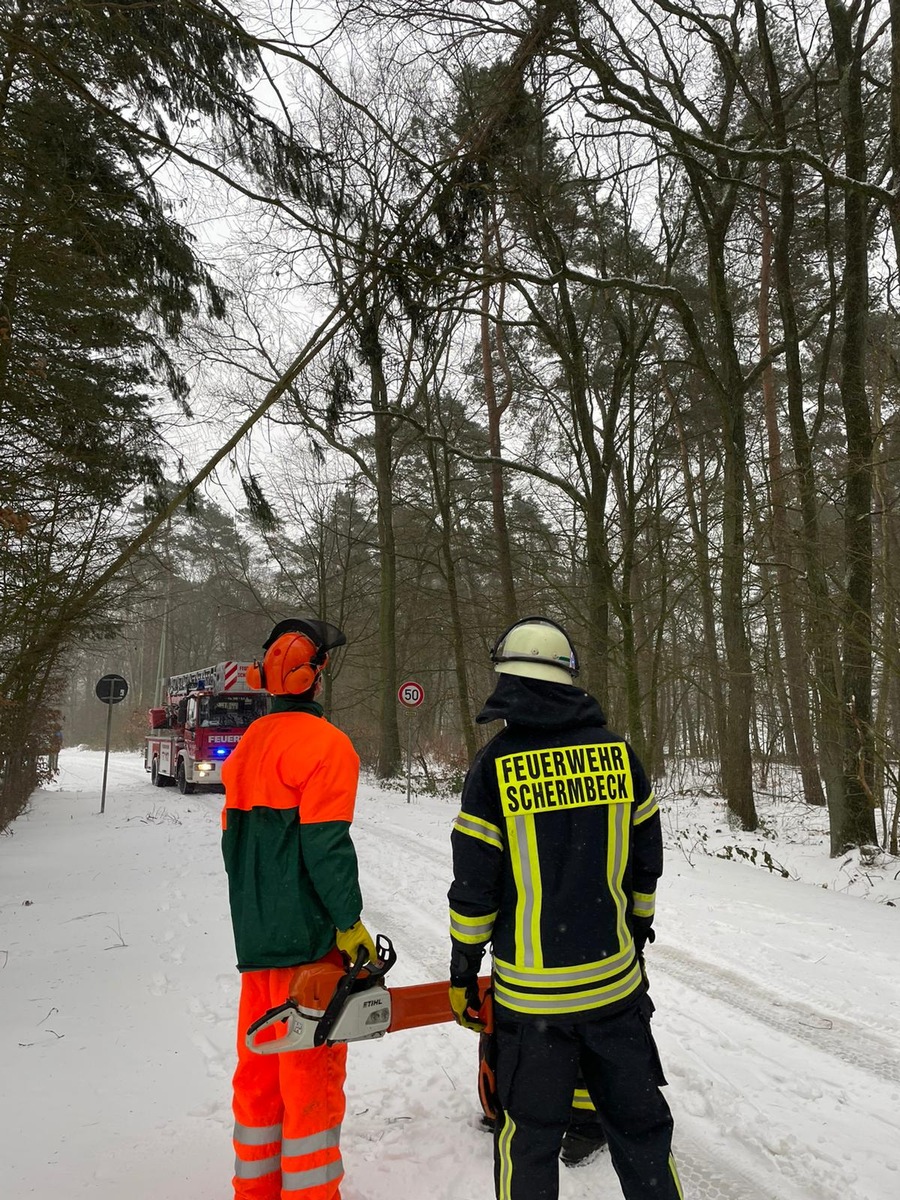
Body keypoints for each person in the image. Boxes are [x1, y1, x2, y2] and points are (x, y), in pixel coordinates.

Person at [448, 617, 683, 1200]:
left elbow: (474, 891)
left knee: (526, 1139)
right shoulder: (620, 757)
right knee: (642, 1132)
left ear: (508, 684)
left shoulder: (493, 769)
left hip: (532, 1002)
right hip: (614, 989)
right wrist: (637, 929)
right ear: (569, 681)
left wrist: (462, 969)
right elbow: (646, 863)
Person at [221, 618, 375, 1200]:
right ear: (318, 677)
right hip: (308, 949)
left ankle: (254, 1190)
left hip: (256, 944)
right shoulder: (327, 746)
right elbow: (326, 846)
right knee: (309, 1076)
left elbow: (234, 849)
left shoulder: (246, 748)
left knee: (258, 1073)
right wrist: (349, 922)